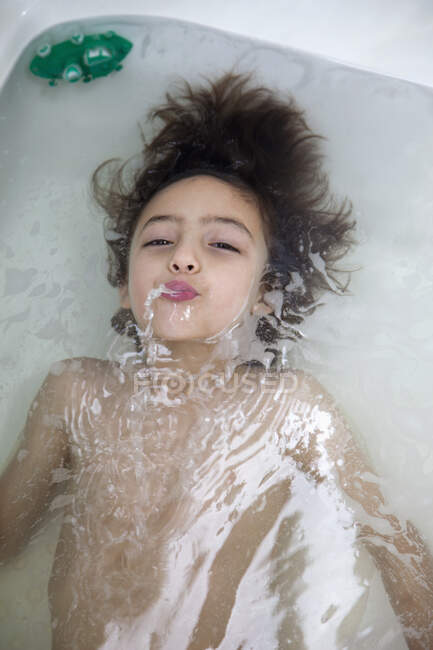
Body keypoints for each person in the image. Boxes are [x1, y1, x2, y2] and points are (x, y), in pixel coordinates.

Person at [0, 70, 432, 650]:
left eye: (222, 244)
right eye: (158, 241)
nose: (182, 257)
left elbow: (398, 550)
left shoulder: (289, 409)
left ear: (265, 294)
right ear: (125, 287)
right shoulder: (76, 391)